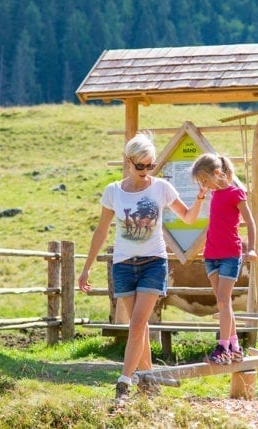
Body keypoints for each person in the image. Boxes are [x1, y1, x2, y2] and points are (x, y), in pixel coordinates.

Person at [78, 132, 206, 405]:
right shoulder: (113, 191)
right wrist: (86, 268)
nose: (146, 171)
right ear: (128, 161)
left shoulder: (160, 188)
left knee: (136, 324)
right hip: (123, 266)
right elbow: (101, 231)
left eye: (151, 165)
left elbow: (187, 216)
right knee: (141, 327)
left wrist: (200, 199)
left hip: (153, 263)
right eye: (141, 166)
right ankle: (149, 383)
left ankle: (124, 382)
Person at [191, 153, 257, 365]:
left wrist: (253, 249)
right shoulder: (213, 195)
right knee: (224, 303)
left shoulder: (235, 194)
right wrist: (201, 195)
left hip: (230, 255)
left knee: (222, 301)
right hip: (211, 256)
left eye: (204, 180)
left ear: (217, 173)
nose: (203, 184)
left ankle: (223, 347)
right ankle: (235, 346)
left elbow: (251, 222)